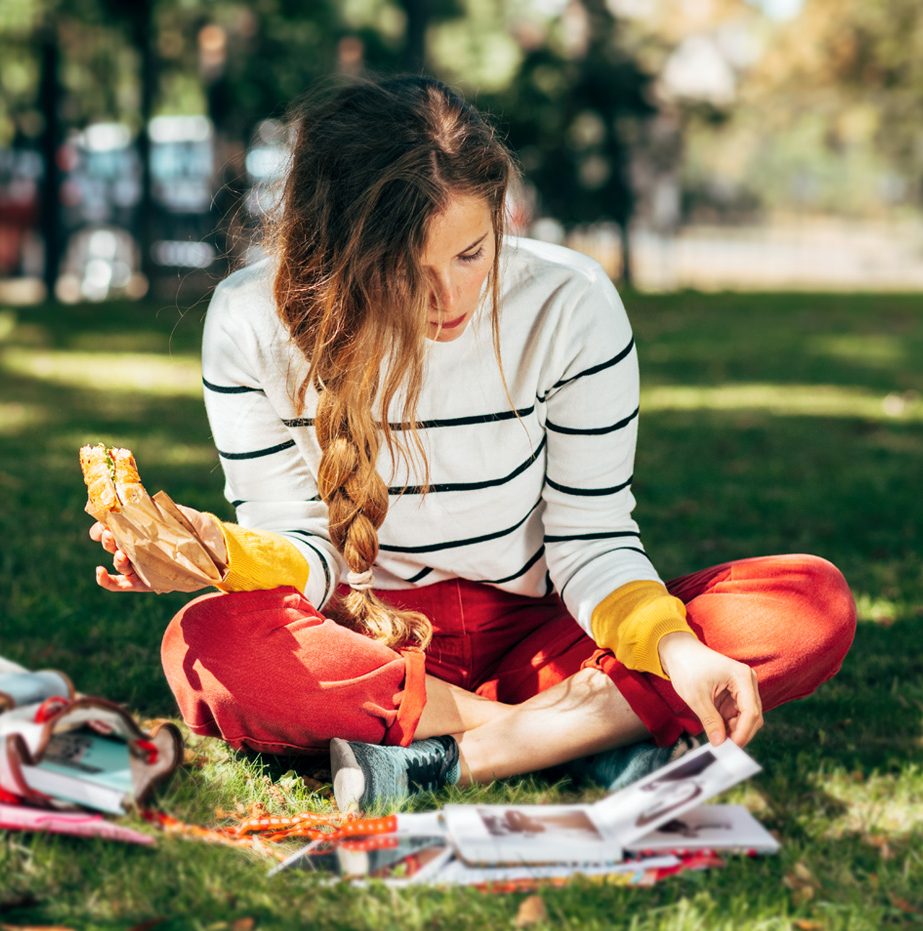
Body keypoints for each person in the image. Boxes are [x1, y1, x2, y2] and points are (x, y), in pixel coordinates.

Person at [89, 75, 856, 812]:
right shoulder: (249, 322)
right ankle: (580, 735)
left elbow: (591, 541)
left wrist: (677, 649)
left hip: (544, 635)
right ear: (340, 253)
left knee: (806, 602)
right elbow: (306, 553)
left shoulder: (570, 303)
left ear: (503, 218)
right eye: (406, 268)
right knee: (207, 645)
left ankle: (462, 755)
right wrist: (221, 553)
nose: (449, 299)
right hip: (368, 640)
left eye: (471, 254)